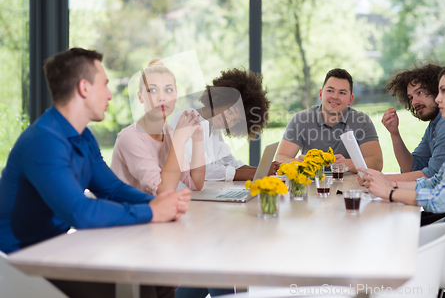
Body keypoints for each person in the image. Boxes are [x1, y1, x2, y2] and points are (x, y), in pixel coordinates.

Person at [0, 48, 190, 297]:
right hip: (21, 264)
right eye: (105, 85)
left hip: (55, 249)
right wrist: (153, 211)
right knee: (141, 288)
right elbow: (81, 212)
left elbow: (112, 189)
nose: (110, 95)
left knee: (158, 275)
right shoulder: (44, 141)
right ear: (84, 88)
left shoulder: (83, 136)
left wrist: (161, 203)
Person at [360, 63, 445, 229]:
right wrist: (390, 183)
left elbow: (441, 200)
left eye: (444, 91)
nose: (438, 98)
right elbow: (435, 182)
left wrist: (390, 193)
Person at [111, 59, 205, 194]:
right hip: (126, 213)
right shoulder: (129, 138)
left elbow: (196, 183)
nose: (162, 97)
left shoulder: (168, 132)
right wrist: (178, 139)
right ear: (140, 97)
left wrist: (198, 139)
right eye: (152, 90)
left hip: (152, 211)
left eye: (168, 90)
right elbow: (164, 191)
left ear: (176, 95)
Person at [170, 68, 278, 182]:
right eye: (230, 111)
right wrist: (257, 174)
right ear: (221, 99)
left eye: (236, 121)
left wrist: (262, 170)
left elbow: (229, 162)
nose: (229, 120)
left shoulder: (214, 127)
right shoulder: (186, 118)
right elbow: (202, 171)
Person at [276, 68, 383, 173]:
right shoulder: (301, 119)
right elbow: (280, 158)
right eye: (330, 91)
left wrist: (348, 164)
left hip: (351, 187)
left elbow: (377, 163)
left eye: (342, 93)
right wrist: (297, 163)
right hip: (311, 186)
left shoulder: (361, 121)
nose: (335, 97)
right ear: (320, 94)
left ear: (350, 99)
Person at [374, 64, 445, 182]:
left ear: (437, 90)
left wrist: (381, 179)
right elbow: (411, 169)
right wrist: (394, 133)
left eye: (419, 93)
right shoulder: (434, 126)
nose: (414, 102)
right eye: (410, 97)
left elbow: (434, 176)